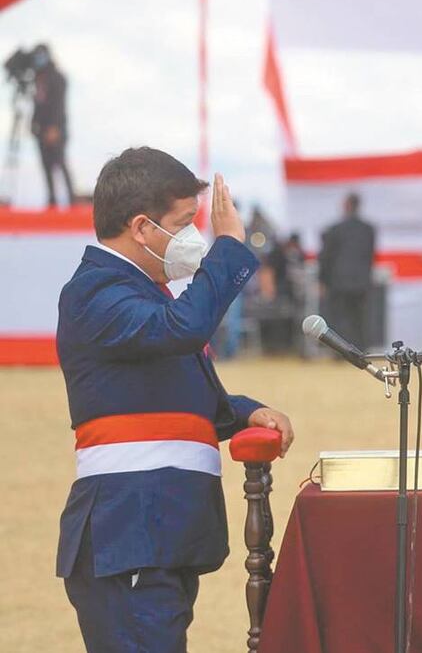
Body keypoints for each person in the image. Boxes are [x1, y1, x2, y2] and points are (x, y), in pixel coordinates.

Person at [55, 147, 295, 651]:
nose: (196, 238)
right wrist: (228, 249)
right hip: (131, 535)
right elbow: (182, 330)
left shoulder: (142, 293)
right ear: (142, 227)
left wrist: (245, 410)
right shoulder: (96, 291)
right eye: (186, 223)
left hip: (157, 534)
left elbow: (170, 394)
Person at [319, 192, 376, 350]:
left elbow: (325, 257)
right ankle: (361, 350)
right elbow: (370, 255)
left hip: (339, 281)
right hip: (361, 281)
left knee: (339, 317)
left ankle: (341, 351)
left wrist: (322, 280)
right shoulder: (368, 230)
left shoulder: (335, 229)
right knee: (361, 318)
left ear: (346, 205)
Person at [30, 44, 75, 207]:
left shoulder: (57, 77)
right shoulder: (38, 79)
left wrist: (54, 127)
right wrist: (33, 124)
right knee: (46, 165)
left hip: (56, 128)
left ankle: (72, 199)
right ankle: (52, 199)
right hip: (41, 130)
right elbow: (38, 105)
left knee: (60, 162)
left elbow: (58, 105)